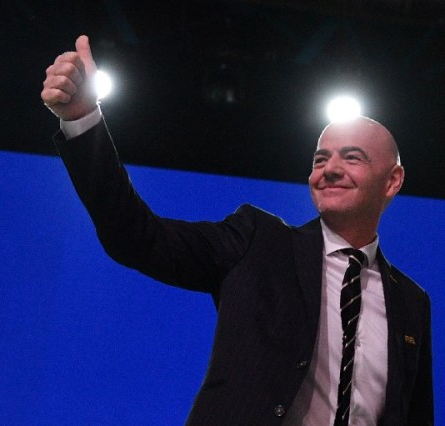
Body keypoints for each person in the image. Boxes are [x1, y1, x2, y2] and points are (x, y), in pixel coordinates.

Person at [41, 35, 433, 425]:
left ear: (392, 181)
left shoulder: (412, 304)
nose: (329, 169)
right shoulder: (258, 242)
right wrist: (81, 119)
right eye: (320, 158)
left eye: (352, 158)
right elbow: (136, 236)